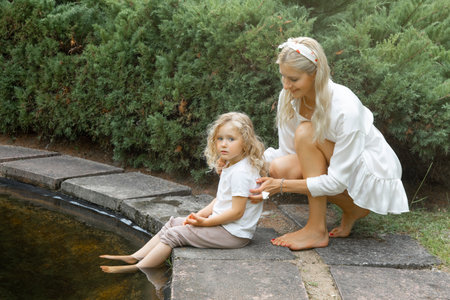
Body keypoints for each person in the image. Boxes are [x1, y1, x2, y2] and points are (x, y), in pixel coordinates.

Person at [249, 37, 409, 251]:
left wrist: (281, 186)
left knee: (306, 133)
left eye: (293, 79)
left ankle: (317, 230)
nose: (286, 86)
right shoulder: (288, 97)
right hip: (338, 167)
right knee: (280, 167)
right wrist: (246, 161)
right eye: (283, 77)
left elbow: (336, 182)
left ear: (315, 74)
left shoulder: (345, 108)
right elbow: (287, 153)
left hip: (371, 169)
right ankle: (352, 208)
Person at [100, 112, 267, 273]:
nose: (224, 144)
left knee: (175, 234)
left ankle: (139, 268)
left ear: (245, 142)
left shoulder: (241, 173)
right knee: (174, 223)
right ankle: (135, 257)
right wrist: (199, 215)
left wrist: (205, 223)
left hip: (233, 234)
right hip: (225, 227)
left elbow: (237, 212)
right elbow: (221, 199)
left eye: (231, 139)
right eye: (220, 138)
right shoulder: (232, 165)